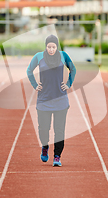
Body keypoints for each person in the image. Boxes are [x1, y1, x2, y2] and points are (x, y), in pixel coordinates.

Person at [27, 35, 76, 167]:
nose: (51, 49)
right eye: (49, 46)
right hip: (44, 100)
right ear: (46, 46)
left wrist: (68, 83)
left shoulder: (63, 56)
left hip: (60, 100)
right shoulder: (38, 57)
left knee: (59, 131)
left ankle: (57, 156)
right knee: (43, 129)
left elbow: (73, 69)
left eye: (53, 47)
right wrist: (35, 85)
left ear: (57, 46)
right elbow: (29, 70)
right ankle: (44, 146)